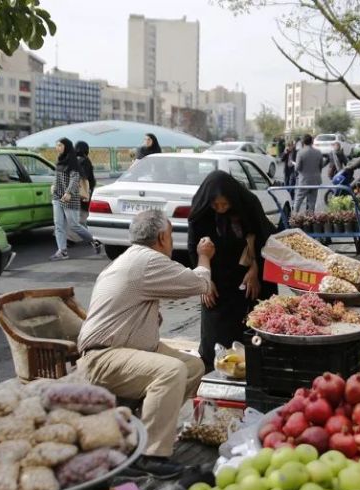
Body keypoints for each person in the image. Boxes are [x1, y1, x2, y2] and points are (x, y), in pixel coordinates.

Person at [78, 209, 215, 458]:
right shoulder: (149, 260)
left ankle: (141, 427)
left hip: (126, 348)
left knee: (193, 366)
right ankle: (150, 454)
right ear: (163, 237)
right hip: (104, 357)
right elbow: (200, 284)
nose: (172, 242)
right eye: (171, 236)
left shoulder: (132, 258)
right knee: (171, 371)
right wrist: (204, 257)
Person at [186, 171, 276, 370]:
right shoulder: (201, 210)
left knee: (253, 327)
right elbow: (194, 248)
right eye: (215, 205)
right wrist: (205, 283)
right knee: (216, 331)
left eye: (225, 205)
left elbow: (266, 240)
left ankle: (255, 370)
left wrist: (256, 270)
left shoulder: (248, 204)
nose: (220, 209)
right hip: (217, 274)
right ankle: (214, 369)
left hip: (250, 273)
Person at [50, 137, 101, 260]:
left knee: (74, 225)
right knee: (58, 225)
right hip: (57, 197)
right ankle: (62, 251)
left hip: (70, 197)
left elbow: (75, 178)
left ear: (67, 147)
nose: (58, 148)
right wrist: (53, 186)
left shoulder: (73, 161)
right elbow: (58, 176)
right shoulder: (59, 160)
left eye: (60, 145)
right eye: (57, 145)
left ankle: (94, 241)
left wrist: (68, 192)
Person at [294, 134, 323, 213]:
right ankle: (310, 220)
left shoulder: (301, 152)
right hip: (315, 180)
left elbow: (297, 168)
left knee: (298, 200)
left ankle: (294, 217)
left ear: (303, 142)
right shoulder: (318, 152)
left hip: (304, 181)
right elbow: (321, 166)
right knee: (312, 202)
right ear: (312, 141)